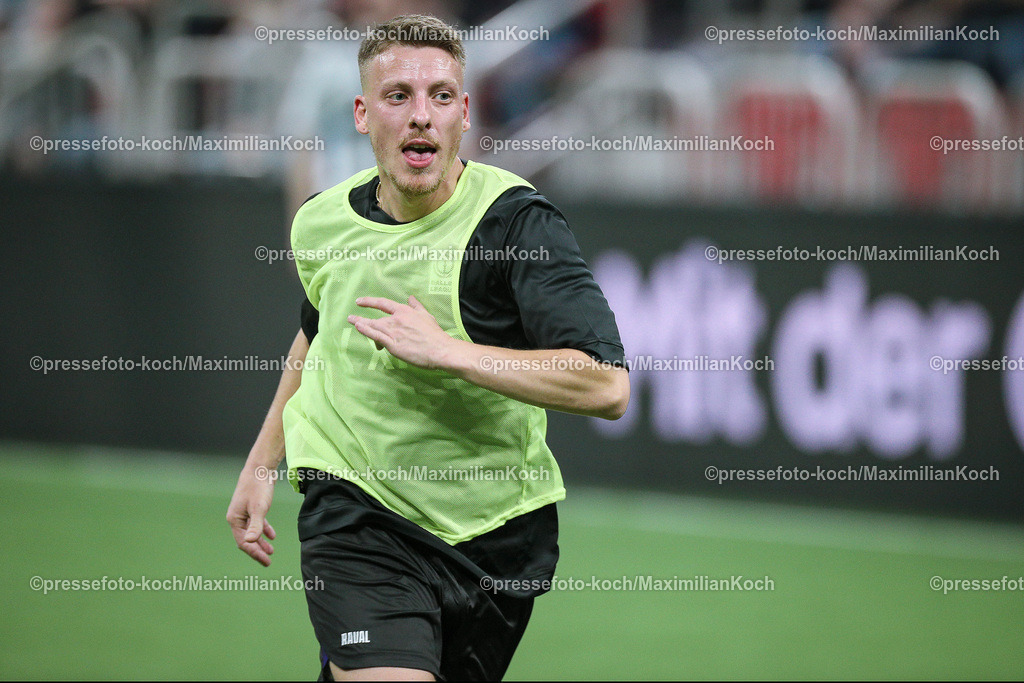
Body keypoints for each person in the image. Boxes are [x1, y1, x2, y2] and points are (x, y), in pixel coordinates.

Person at [227, 13, 629, 682]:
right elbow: (320, 329)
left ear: (464, 113)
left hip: (495, 534)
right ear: (362, 114)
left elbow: (606, 384)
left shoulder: (515, 225)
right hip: (356, 513)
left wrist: (449, 351)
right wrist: (263, 462)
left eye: (440, 96)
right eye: (398, 96)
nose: (421, 115)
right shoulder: (321, 221)